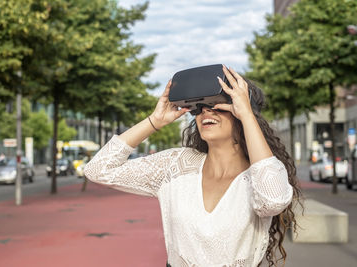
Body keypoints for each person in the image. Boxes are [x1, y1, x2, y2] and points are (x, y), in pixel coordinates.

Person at [84, 65, 302, 267]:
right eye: (200, 108)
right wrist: (154, 121)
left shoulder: (261, 175)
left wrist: (246, 114)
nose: (207, 112)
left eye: (219, 104)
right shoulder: (176, 165)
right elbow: (98, 170)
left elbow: (273, 201)